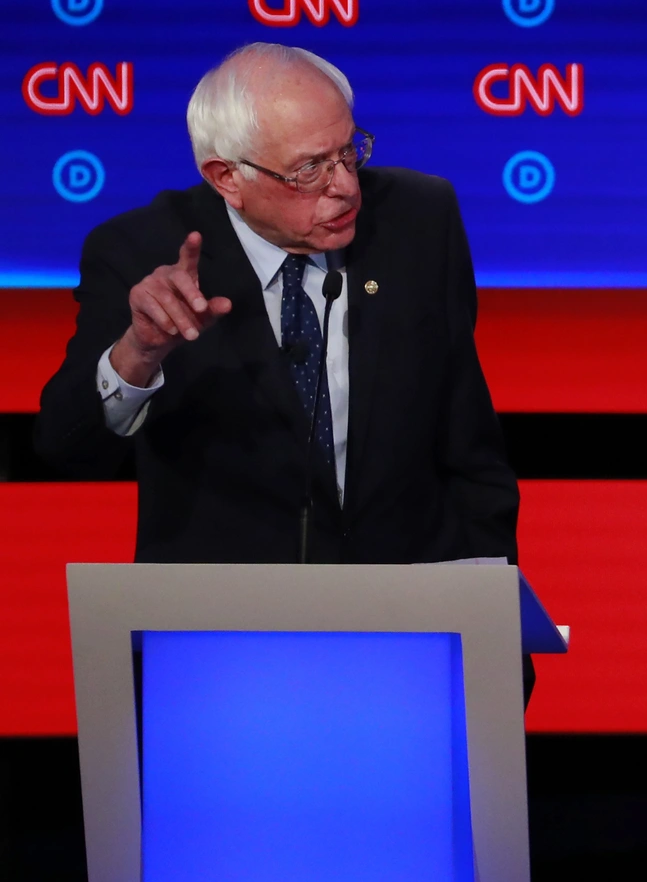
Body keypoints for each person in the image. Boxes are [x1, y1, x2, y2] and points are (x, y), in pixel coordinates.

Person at [35, 43, 532, 696]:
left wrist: (492, 624)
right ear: (226, 178)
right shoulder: (137, 252)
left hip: (410, 636)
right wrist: (139, 353)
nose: (345, 186)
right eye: (308, 170)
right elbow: (63, 450)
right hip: (221, 657)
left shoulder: (419, 219)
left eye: (349, 150)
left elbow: (469, 448)